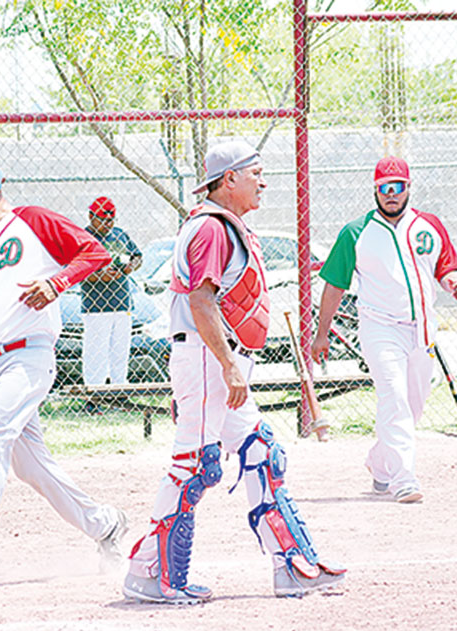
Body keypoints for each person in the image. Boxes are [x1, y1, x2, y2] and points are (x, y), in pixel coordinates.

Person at [123, 140, 346, 604]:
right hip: (210, 358)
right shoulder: (211, 228)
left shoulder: (226, 226)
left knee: (261, 452)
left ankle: (293, 565)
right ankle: (151, 573)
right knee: (195, 465)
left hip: (212, 361)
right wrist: (226, 366)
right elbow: (200, 300)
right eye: (255, 173)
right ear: (229, 180)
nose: (263, 182)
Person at [0, 150, 129, 585]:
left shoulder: (31, 221)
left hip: (29, 356)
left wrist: (56, 282)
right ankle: (106, 524)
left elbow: (95, 254)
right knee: (31, 468)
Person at [313, 156, 457, 504]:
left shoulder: (430, 225)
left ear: (409, 187)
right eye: (384, 188)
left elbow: (446, 267)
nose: (391, 194)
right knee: (394, 398)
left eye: (397, 187)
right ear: (375, 191)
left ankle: (380, 465)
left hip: (423, 328)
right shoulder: (356, 232)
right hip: (380, 327)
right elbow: (334, 285)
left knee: (413, 406)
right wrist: (322, 332)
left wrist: (453, 280)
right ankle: (403, 478)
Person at [80, 196, 142, 402]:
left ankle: (119, 393)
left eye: (111, 220)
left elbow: (137, 256)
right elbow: (75, 270)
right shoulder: (83, 237)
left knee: (120, 351)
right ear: (91, 217)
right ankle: (94, 396)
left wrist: (129, 267)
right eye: (103, 220)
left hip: (122, 302)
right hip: (97, 305)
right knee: (96, 352)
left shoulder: (119, 235)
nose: (108, 225)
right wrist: (100, 277)